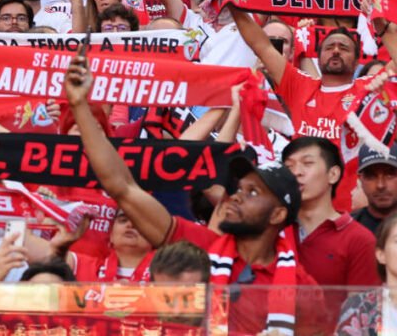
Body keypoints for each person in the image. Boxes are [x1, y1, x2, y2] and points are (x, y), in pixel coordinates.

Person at [63, 51, 323, 335]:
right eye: (238, 189)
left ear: (278, 214)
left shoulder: (302, 288)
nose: (235, 196)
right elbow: (122, 187)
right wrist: (80, 107)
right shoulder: (200, 247)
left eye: (252, 193)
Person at [283, 136, 379, 287]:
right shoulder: (274, 230)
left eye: (307, 163)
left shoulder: (359, 240)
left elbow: (362, 306)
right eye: (289, 167)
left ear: (333, 174)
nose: (297, 172)